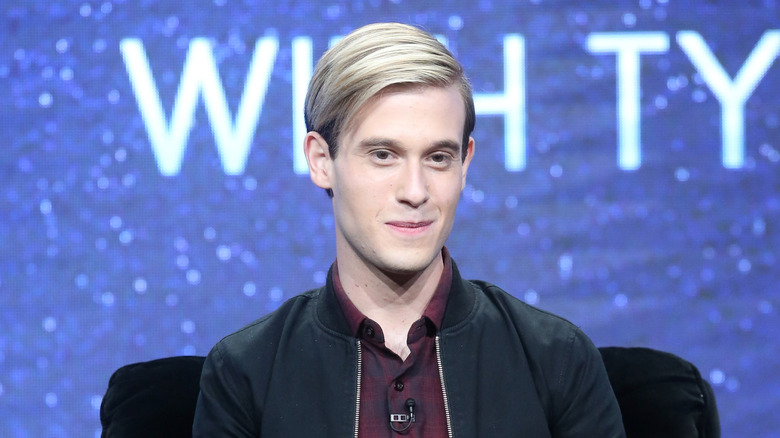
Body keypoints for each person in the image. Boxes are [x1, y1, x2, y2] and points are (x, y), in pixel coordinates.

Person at [193, 22, 625, 437]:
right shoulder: (248, 371)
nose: (415, 191)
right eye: (383, 155)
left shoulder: (556, 359)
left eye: (438, 157)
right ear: (321, 161)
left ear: (465, 164)